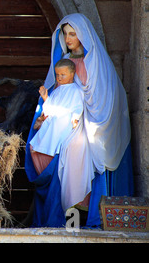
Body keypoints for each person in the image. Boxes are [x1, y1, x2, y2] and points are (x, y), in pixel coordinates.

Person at [25, 13, 134, 228]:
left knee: (76, 148)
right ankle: (62, 211)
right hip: (64, 116)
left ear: (82, 34)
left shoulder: (94, 62)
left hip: (88, 118)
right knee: (39, 144)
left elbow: (103, 96)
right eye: (65, 34)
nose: (68, 39)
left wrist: (80, 112)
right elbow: (57, 92)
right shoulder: (63, 63)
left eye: (72, 34)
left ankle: (77, 207)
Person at [29, 59, 84, 175]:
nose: (59, 78)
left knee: (58, 125)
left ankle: (50, 157)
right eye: (57, 74)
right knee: (34, 146)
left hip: (63, 124)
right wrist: (45, 98)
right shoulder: (56, 91)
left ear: (72, 74)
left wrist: (75, 117)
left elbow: (78, 106)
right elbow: (50, 109)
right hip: (52, 122)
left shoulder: (76, 91)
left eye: (63, 75)